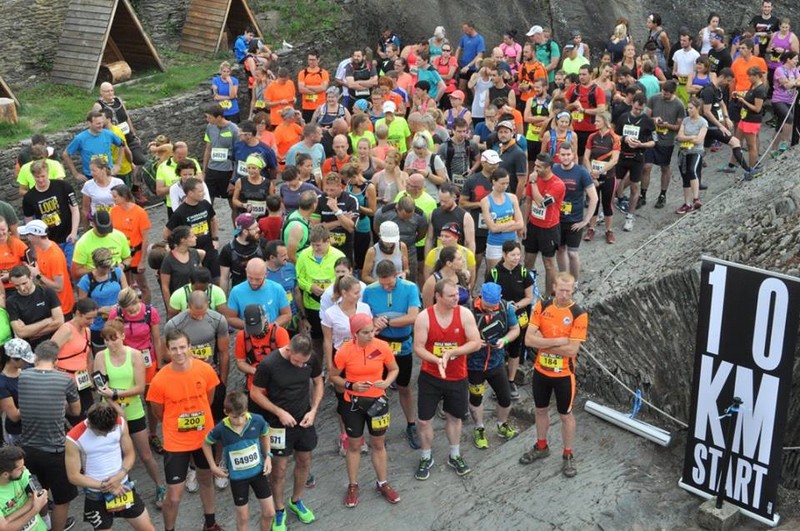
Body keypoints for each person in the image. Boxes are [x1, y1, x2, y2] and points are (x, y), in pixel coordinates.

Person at [146, 329, 221, 531]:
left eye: (182, 347)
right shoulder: (160, 380)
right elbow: (157, 412)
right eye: (174, 349)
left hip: (204, 438)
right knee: (174, 495)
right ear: (167, 350)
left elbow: (209, 398)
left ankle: (210, 523)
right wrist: (174, 422)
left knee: (206, 480)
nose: (179, 352)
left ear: (189, 347)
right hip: (175, 442)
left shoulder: (205, 370)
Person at [250, 334, 323, 530]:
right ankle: (279, 509)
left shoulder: (311, 358)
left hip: (304, 420)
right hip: (278, 424)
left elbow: (318, 382)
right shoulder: (269, 364)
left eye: (303, 363)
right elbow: (255, 393)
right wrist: (279, 412)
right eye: (297, 361)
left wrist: (314, 410)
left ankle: (296, 500)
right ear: (289, 350)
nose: (300, 365)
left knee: (304, 460)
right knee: (279, 469)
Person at [92, 318, 167, 507]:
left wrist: (116, 394)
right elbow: (101, 387)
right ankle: (120, 491)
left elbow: (140, 388)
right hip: (109, 412)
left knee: (146, 455)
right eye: (106, 340)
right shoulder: (101, 356)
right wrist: (116, 406)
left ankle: (160, 486)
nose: (110, 344)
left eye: (113, 339)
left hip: (133, 409)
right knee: (114, 455)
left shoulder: (135, 355)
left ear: (123, 336)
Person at [520, 272, 587, 478]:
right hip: (541, 372)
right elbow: (528, 340)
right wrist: (558, 341)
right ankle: (541, 446)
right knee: (540, 410)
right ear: (554, 288)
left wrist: (543, 342)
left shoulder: (578, 313)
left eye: (568, 290)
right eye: (561, 290)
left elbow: (572, 350)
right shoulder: (542, 306)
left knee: (565, 415)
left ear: (573, 290)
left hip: (564, 375)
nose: (564, 294)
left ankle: (568, 454)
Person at [412, 279, 482, 480]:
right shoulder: (424, 317)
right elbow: (418, 347)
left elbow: (476, 342)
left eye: (457, 294)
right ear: (438, 296)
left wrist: (452, 352)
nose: (456, 299)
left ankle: (455, 454)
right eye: (451, 296)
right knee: (424, 420)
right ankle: (426, 456)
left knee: (454, 417)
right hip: (431, 376)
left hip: (457, 376)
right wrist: (436, 360)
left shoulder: (464, 314)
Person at [329, 314, 400, 507]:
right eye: (366, 332)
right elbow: (333, 376)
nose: (371, 335)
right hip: (352, 404)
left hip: (378, 402)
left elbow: (394, 369)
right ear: (355, 333)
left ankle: (382, 483)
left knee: (378, 444)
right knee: (354, 445)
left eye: (372, 331)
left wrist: (386, 382)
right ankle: (353, 485)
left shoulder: (382, 346)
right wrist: (351, 385)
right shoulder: (344, 351)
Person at [65, 401, 156, 531]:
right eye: (101, 433)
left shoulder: (120, 423)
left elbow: (129, 454)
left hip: (122, 487)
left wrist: (120, 476)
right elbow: (73, 476)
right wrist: (107, 486)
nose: (106, 435)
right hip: (96, 494)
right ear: (89, 423)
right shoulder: (73, 438)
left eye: (109, 431)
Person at [19, 340, 81, 531]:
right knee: (62, 499)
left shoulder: (23, 376)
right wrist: (61, 406)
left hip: (28, 449)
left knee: (38, 492)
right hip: (55, 451)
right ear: (56, 361)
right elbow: (76, 411)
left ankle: (44, 523)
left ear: (36, 357)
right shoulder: (65, 380)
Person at [203, 391, 275, 531]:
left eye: (242, 415)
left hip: (259, 473)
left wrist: (268, 456)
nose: (240, 421)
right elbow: (206, 443)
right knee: (243, 518)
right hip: (238, 479)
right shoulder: (221, 428)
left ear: (247, 409)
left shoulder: (257, 420)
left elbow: (265, 433)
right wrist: (213, 466)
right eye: (235, 417)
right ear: (226, 412)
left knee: (270, 513)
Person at [108, 287, 165, 453]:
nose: (130, 312)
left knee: (150, 399)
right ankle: (124, 433)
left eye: (132, 308)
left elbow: (156, 340)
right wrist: (116, 324)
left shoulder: (150, 313)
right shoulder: (116, 314)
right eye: (127, 310)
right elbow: (110, 339)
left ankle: (153, 434)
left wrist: (160, 365)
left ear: (137, 300)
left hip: (148, 361)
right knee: (124, 398)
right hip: (125, 361)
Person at [468, 282, 520, 449]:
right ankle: (479, 428)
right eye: (487, 306)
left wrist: (504, 340)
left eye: (493, 306)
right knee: (476, 399)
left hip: (496, 363)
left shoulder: (506, 308)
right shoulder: (468, 310)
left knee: (505, 398)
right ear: (481, 297)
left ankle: (502, 424)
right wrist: (474, 342)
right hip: (474, 365)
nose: (491, 310)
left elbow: (515, 329)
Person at [485, 241, 535, 400]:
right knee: (497, 347)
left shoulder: (524, 273)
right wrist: (503, 306)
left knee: (515, 349)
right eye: (513, 255)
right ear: (504, 255)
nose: (516, 258)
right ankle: (497, 382)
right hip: (499, 316)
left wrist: (516, 306)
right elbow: (487, 297)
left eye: (518, 255)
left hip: (519, 316)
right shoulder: (494, 273)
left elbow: (529, 298)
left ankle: (510, 380)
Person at [21, 161, 80, 267]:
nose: (40, 180)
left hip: (68, 236)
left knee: (72, 268)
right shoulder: (29, 197)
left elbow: (75, 210)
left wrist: (74, 232)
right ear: (33, 176)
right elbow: (29, 223)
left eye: (43, 176)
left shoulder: (63, 186)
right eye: (37, 177)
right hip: (47, 242)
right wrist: (35, 246)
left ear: (47, 173)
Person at [552, 143, 597, 281]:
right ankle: (563, 280)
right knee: (560, 250)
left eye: (568, 155)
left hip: (575, 221)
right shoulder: (554, 170)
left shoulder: (581, 172)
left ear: (573, 155)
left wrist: (586, 221)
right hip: (557, 220)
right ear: (558, 155)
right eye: (563, 155)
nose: (565, 157)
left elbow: (594, 198)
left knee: (572, 253)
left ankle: (574, 282)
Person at [522, 153, 564, 295]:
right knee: (528, 261)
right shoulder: (533, 178)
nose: (535, 169)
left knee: (549, 263)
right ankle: (526, 293)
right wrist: (524, 224)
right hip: (533, 225)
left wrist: (533, 183)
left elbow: (542, 203)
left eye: (539, 167)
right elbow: (528, 202)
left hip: (549, 228)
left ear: (548, 168)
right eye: (535, 165)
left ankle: (548, 295)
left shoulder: (558, 184)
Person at [51, 298, 99, 422]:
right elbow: (48, 354)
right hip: (66, 382)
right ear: (78, 314)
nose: (92, 322)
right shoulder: (66, 330)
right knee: (78, 418)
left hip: (83, 381)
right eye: (88, 318)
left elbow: (88, 357)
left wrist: (90, 378)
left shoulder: (87, 331)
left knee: (90, 415)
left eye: (94, 318)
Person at [614, 93, 656, 232]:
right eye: (636, 108)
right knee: (614, 185)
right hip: (622, 156)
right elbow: (615, 135)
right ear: (632, 104)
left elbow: (654, 141)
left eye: (641, 109)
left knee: (634, 188)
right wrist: (624, 138)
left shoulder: (647, 121)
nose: (638, 111)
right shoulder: (623, 117)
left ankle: (630, 216)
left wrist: (641, 144)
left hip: (637, 157)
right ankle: (606, 211)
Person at [165, 178, 220, 282]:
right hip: (193, 253)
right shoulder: (179, 212)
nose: (204, 193)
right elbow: (166, 233)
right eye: (200, 191)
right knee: (200, 282)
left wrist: (215, 238)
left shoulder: (205, 204)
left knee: (217, 278)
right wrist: (179, 246)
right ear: (190, 193)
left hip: (210, 248)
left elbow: (213, 219)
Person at [643, 82, 686, 209]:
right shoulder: (654, 99)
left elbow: (678, 127)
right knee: (647, 166)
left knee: (664, 167)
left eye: (666, 94)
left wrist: (667, 125)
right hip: (651, 137)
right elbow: (645, 118)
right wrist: (654, 120)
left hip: (667, 140)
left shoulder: (679, 105)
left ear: (673, 93)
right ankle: (642, 194)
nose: (663, 95)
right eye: (662, 92)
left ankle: (662, 194)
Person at [234, 305, 290, 401]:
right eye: (251, 328)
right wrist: (256, 371)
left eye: (257, 327)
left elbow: (286, 361)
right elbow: (240, 362)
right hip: (255, 387)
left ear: (265, 318)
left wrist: (268, 373)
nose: (254, 332)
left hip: (277, 386)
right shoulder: (241, 336)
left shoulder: (279, 333)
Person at [76, 248, 127, 351]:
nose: (108, 269)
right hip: (99, 327)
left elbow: (127, 295)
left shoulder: (117, 272)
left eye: (109, 266)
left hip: (121, 322)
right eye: (104, 267)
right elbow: (82, 308)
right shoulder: (86, 281)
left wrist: (121, 306)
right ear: (96, 265)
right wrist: (100, 311)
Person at [583, 113, 621, 244]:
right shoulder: (592, 136)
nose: (595, 123)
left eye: (598, 121)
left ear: (605, 122)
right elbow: (586, 157)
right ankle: (591, 228)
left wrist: (599, 171)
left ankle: (609, 230)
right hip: (593, 176)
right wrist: (591, 172)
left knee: (607, 203)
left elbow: (614, 160)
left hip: (608, 176)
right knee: (593, 202)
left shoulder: (614, 138)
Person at [110, 184, 151, 303]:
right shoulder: (113, 211)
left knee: (143, 286)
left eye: (115, 196)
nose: (113, 199)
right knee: (126, 286)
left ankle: (146, 309)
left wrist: (142, 261)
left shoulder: (140, 213)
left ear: (123, 196)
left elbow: (145, 239)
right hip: (121, 256)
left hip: (136, 255)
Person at [7, 265, 64, 350]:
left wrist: (31, 333)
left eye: (24, 283)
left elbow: (59, 321)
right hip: (32, 348)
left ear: (30, 277)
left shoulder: (47, 292)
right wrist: (47, 321)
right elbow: (21, 332)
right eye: (17, 285)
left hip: (54, 341)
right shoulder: (11, 302)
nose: (22, 288)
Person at [225, 258, 292, 330]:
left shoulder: (277, 289)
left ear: (266, 274)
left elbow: (287, 314)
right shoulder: (236, 291)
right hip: (248, 335)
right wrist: (251, 327)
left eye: (258, 279)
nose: (253, 282)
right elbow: (230, 318)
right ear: (246, 271)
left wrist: (269, 327)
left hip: (272, 334)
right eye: (250, 278)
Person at [460, 150, 498, 270]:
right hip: (478, 228)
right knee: (476, 260)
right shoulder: (472, 180)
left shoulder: (501, 179)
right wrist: (481, 204)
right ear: (483, 163)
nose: (495, 166)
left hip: (496, 227)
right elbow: (462, 203)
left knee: (494, 265)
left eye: (497, 163)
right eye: (492, 163)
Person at [480, 168, 523, 270]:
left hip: (512, 242)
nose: (505, 186)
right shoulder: (485, 201)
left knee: (512, 273)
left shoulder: (512, 198)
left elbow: (520, 224)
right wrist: (511, 223)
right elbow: (492, 228)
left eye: (507, 183)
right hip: (495, 243)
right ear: (494, 181)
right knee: (495, 273)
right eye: (502, 183)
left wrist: (500, 227)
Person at [62, 111, 124, 182]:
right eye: (98, 123)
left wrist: (118, 164)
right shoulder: (80, 138)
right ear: (89, 123)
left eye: (102, 123)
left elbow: (122, 144)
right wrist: (75, 174)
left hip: (108, 174)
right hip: (91, 177)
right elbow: (66, 154)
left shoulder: (108, 134)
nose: (101, 125)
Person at [71, 209, 132, 281]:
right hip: (95, 282)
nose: (105, 232)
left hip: (117, 279)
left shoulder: (119, 236)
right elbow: (76, 272)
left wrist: (123, 265)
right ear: (93, 224)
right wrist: (99, 270)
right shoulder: (83, 243)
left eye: (107, 229)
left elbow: (128, 258)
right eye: (101, 230)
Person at [0, 445, 51, 531]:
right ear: (5, 474)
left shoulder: (21, 474)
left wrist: (8, 518)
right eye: (20, 468)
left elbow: (38, 496)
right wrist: (34, 510)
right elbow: (4, 528)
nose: (24, 469)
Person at [312, 172, 359, 263]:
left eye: (332, 190)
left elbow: (350, 228)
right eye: (326, 189)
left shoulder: (351, 200)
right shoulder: (318, 200)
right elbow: (315, 228)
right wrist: (340, 221)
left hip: (345, 245)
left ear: (340, 186)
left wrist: (336, 210)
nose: (328, 193)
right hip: (324, 245)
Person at [219, 213, 267, 293]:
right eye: (255, 228)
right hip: (239, 293)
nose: (258, 229)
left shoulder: (262, 244)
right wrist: (223, 299)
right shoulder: (227, 250)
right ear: (245, 231)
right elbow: (224, 278)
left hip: (261, 290)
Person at [0, 339, 35, 446]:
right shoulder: (2, 383)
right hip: (19, 431)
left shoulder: (28, 369)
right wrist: (37, 401)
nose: (27, 362)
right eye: (24, 360)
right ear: (12, 359)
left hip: (35, 425)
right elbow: (14, 416)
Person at [202, 104, 240, 204]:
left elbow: (238, 155)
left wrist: (233, 180)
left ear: (219, 117)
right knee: (208, 201)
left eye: (209, 117)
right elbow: (208, 149)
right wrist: (204, 171)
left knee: (232, 202)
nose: (207, 120)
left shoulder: (234, 130)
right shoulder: (209, 127)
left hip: (227, 171)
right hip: (212, 169)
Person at [159, 226, 205, 305]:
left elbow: (201, 275)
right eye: (192, 236)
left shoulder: (194, 253)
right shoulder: (168, 260)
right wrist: (170, 306)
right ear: (183, 240)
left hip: (197, 299)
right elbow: (165, 287)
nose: (196, 238)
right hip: (180, 301)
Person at [736, 66, 769, 174]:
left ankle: (752, 168)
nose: (748, 78)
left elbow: (757, 108)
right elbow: (749, 96)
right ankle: (733, 163)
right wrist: (740, 95)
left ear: (756, 76)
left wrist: (743, 101)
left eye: (750, 76)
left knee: (751, 145)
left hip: (752, 120)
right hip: (745, 118)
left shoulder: (760, 89)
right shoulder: (753, 86)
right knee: (736, 141)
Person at [771, 51, 800, 155]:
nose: (797, 61)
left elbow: (797, 81)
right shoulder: (780, 70)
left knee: (780, 125)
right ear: (788, 59)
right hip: (779, 100)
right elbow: (786, 86)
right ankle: (784, 142)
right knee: (789, 118)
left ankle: (773, 149)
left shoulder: (794, 70)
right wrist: (795, 82)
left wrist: (793, 82)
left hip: (789, 101)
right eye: (795, 59)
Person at [282, 190, 316, 263]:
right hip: (297, 265)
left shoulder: (295, 215)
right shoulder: (297, 227)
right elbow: (291, 255)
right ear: (314, 206)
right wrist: (300, 267)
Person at [455, 22, 487, 93]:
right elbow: (458, 49)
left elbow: (480, 55)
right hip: (463, 67)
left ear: (471, 28)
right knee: (461, 87)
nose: (464, 31)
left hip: (474, 69)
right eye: (463, 29)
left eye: (466, 29)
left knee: (473, 88)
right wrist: (455, 61)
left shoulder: (479, 39)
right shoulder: (464, 37)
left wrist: (469, 66)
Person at [0, 217, 28, 295]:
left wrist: (11, 275)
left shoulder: (17, 244)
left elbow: (30, 266)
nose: (1, 233)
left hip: (17, 285)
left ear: (7, 228)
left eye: (3, 229)